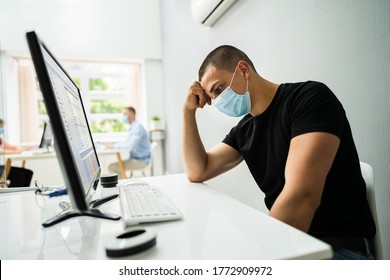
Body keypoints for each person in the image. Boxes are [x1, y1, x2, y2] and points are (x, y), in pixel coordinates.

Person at [182, 45, 376, 260]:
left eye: (218, 90)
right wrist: (188, 111)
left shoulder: (309, 100)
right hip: (293, 242)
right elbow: (198, 170)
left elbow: (301, 197)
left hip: (337, 250)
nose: (218, 102)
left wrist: (260, 261)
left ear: (244, 70)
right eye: (211, 97)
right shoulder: (244, 130)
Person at [108, 106, 151, 178]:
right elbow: (127, 143)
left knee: (111, 167)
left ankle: (123, 185)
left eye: (125, 114)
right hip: (137, 159)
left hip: (141, 161)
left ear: (132, 115)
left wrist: (114, 146)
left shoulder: (137, 127)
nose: (123, 117)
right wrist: (115, 144)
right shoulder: (133, 127)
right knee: (115, 166)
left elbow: (130, 146)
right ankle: (124, 184)